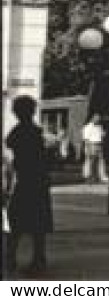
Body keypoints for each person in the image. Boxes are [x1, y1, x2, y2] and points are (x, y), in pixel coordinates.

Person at [4, 95, 53, 276]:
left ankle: (10, 259)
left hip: (26, 182)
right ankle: (39, 260)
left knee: (16, 223)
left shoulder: (18, 132)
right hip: (39, 182)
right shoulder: (36, 132)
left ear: (17, 112)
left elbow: (9, 142)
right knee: (38, 225)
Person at [81, 114, 107, 184]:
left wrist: (103, 136)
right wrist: (88, 148)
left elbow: (102, 135)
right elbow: (86, 139)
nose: (98, 120)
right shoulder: (88, 127)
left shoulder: (99, 127)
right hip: (91, 144)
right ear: (92, 118)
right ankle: (87, 176)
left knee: (100, 161)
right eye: (96, 118)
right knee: (90, 161)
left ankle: (101, 177)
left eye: (99, 118)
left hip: (99, 144)